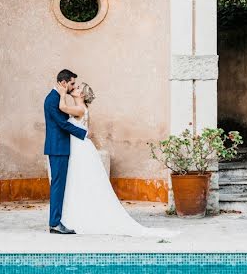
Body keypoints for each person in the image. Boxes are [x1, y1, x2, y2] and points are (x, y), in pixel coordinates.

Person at [56, 78, 177, 237]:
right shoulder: (81, 107)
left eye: (78, 89)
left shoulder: (79, 109)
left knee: (81, 179)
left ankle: (82, 215)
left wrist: (62, 93)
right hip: (80, 147)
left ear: (83, 95)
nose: (75, 89)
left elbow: (61, 107)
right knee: (80, 180)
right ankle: (77, 213)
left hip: (81, 149)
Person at [43, 69, 87, 234]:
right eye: (72, 83)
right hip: (58, 148)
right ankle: (54, 223)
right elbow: (63, 124)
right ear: (63, 83)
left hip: (62, 147)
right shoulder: (52, 100)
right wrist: (83, 134)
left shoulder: (57, 98)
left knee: (61, 185)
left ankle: (59, 219)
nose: (73, 86)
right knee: (57, 185)